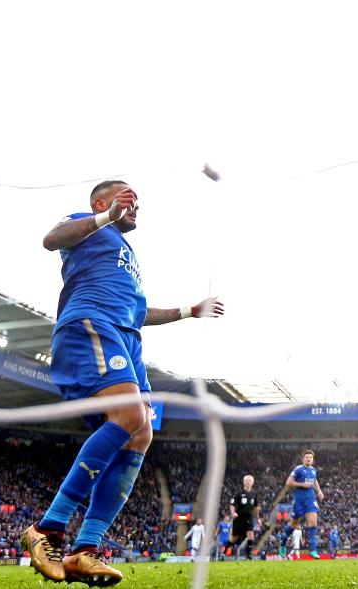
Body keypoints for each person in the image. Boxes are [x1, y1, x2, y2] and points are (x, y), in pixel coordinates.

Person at [21, 180, 224, 584]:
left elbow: (140, 310)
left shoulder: (126, 256)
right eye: (127, 197)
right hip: (91, 324)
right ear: (101, 201)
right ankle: (48, 529)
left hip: (126, 338)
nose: (136, 206)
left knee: (140, 433)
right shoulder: (87, 224)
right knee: (132, 414)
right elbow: (50, 239)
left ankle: (84, 550)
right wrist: (106, 217)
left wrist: (188, 311)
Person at [285, 450, 324, 559]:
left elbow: (314, 480)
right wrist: (303, 484)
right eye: (306, 457)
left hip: (311, 500)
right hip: (299, 500)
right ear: (303, 459)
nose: (308, 459)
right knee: (293, 525)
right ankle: (283, 540)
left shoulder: (313, 470)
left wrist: (319, 491)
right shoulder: (298, 469)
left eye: (310, 457)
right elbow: (289, 482)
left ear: (313, 459)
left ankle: (313, 550)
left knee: (313, 524)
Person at [229, 473, 261, 559]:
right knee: (233, 538)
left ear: (252, 483)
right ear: (244, 482)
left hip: (249, 518)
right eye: (246, 480)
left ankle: (248, 555)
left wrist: (258, 519)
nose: (248, 482)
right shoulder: (238, 493)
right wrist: (233, 513)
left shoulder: (254, 494)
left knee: (251, 535)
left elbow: (256, 507)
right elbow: (232, 504)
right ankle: (224, 552)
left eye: (250, 481)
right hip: (239, 518)